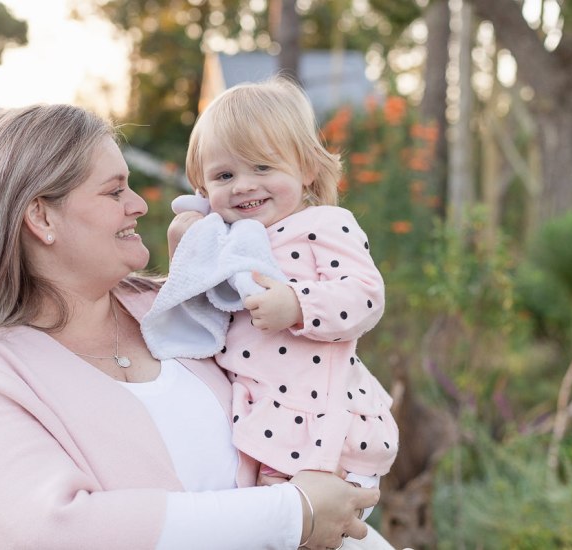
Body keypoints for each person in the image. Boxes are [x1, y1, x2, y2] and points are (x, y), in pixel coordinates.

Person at [0, 103, 384, 550]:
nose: (140, 204)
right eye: (114, 191)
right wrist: (292, 512)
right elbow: (52, 531)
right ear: (41, 215)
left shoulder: (185, 308)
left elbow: (312, 377)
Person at [157, 77, 399, 523]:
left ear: (306, 169)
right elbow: (191, 304)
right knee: (268, 527)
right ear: (203, 187)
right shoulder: (226, 240)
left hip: (321, 424)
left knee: (319, 525)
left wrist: (297, 303)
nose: (244, 186)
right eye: (225, 176)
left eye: (263, 168)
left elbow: (365, 294)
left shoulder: (324, 225)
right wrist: (187, 241)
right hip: (254, 418)